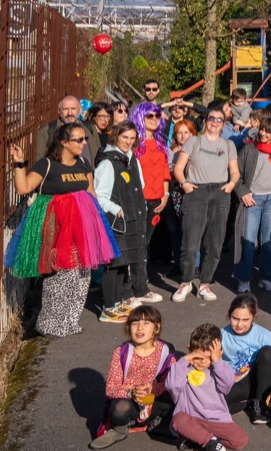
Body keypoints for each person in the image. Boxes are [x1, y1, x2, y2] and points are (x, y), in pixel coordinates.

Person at [6, 127, 119, 337]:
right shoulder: (47, 165)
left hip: (82, 226)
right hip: (56, 227)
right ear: (64, 142)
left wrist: (97, 226)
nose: (84, 143)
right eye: (78, 140)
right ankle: (49, 324)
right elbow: (23, 188)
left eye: (85, 138)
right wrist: (19, 163)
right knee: (62, 273)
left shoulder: (84, 163)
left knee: (82, 274)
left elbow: (91, 192)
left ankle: (69, 322)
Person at [170, 108, 241, 304]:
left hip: (220, 193)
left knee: (215, 242)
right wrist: (184, 183)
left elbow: (235, 171)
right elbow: (178, 168)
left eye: (220, 119)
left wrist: (232, 184)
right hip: (196, 192)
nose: (215, 122)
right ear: (206, 121)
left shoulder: (228, 145)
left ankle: (205, 283)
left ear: (224, 123)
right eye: (212, 119)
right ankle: (185, 282)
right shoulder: (194, 141)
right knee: (190, 242)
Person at [89, 304, 175, 449]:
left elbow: (171, 381)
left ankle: (159, 423)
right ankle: (120, 430)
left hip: (153, 399)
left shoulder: (166, 350)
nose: (140, 328)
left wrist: (154, 388)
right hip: (131, 401)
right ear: (129, 328)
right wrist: (131, 393)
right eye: (135, 323)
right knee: (119, 408)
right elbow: (111, 388)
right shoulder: (121, 352)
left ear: (157, 328)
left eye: (146, 323)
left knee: (174, 396)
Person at [94, 122, 150, 322]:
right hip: (116, 221)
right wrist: (115, 209)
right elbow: (99, 195)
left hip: (130, 219)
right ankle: (108, 308)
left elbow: (140, 185)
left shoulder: (130, 159)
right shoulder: (108, 163)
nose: (128, 142)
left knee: (122, 263)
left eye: (132, 138)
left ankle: (117, 303)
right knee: (113, 265)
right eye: (125, 137)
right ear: (116, 136)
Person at [168, 322, 245, 451]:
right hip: (192, 419)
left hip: (216, 420)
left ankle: (202, 439)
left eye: (209, 357)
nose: (202, 362)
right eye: (197, 356)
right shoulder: (183, 368)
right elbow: (171, 386)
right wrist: (184, 360)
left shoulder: (219, 368)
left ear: (219, 354)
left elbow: (226, 386)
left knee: (240, 441)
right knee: (178, 420)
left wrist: (217, 362)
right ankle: (208, 440)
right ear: (190, 351)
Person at [232, 120, 271, 294]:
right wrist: (243, 192)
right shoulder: (249, 149)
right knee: (247, 241)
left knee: (269, 242)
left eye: (267, 131)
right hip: (252, 199)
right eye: (262, 129)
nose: (262, 133)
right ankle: (244, 278)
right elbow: (235, 174)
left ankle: (267, 277)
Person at [220, 294, 271, 425]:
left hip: (259, 381)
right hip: (236, 382)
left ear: (254, 316)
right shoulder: (222, 335)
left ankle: (260, 404)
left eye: (245, 319)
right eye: (235, 318)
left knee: (267, 352)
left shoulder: (264, 335)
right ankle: (246, 404)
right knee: (211, 404)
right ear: (229, 315)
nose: (239, 324)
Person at [130, 102, 173, 288]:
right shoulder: (133, 143)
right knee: (138, 241)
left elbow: (165, 171)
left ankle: (140, 279)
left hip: (156, 199)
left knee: (146, 240)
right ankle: (136, 282)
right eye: (150, 116)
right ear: (141, 117)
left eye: (157, 116)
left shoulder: (161, 143)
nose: (155, 119)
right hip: (137, 199)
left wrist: (165, 194)